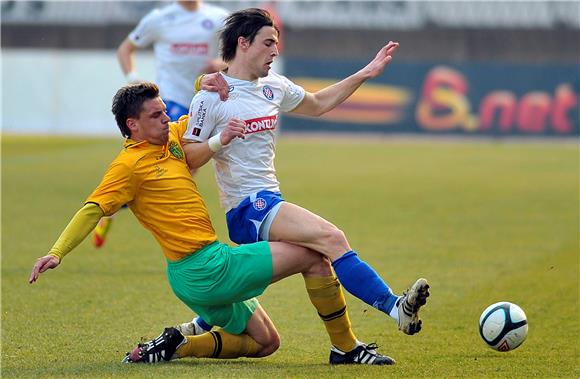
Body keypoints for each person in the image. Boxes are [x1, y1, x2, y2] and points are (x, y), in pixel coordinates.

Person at [28, 82, 397, 365]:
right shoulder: (127, 166)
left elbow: (201, 115)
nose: (166, 118)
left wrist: (208, 79)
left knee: (267, 343)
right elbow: (92, 209)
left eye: (164, 112)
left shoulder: (171, 138)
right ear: (132, 125)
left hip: (194, 274)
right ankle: (347, 348)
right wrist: (56, 252)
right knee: (315, 256)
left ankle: (177, 345)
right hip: (207, 268)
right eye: (156, 115)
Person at [179, 8, 430, 340]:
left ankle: (201, 324)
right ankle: (396, 308)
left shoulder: (274, 86)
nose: (275, 51)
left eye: (277, 43)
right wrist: (219, 139)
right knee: (332, 237)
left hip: (269, 200)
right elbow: (188, 157)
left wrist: (365, 73)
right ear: (243, 42)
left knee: (315, 259)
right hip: (247, 207)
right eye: (268, 43)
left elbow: (318, 103)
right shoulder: (210, 97)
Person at [93, 0, 229, 248]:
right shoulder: (159, 19)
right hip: (170, 102)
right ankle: (122, 204)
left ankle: (123, 203)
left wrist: (219, 64)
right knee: (172, 162)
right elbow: (125, 49)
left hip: (204, 103)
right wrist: (135, 82)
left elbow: (236, 57)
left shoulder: (219, 17)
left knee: (186, 167)